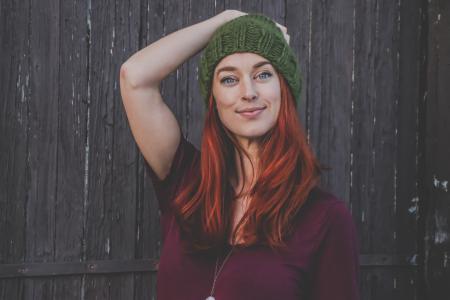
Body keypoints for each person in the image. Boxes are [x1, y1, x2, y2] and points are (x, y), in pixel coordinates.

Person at [120, 10, 360, 300]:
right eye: (229, 79)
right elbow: (135, 77)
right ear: (214, 99)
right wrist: (224, 21)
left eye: (263, 74)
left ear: (284, 89)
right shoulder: (185, 183)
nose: (249, 92)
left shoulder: (325, 218)